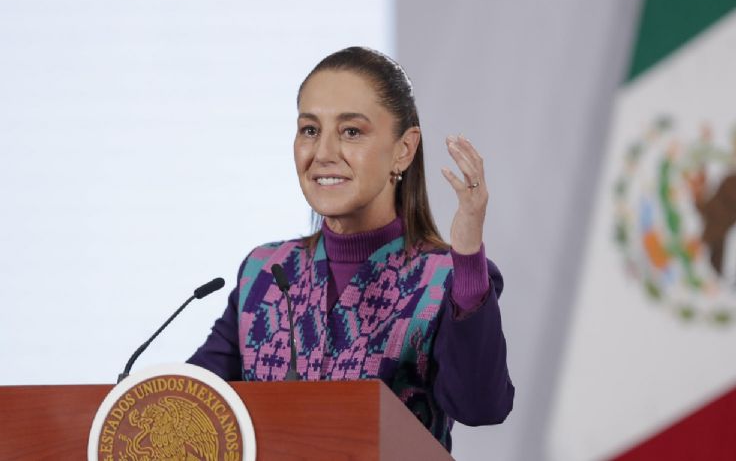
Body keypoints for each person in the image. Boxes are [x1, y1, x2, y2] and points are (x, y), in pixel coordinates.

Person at [189, 46, 513, 450]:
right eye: (310, 130)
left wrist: (467, 255)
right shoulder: (266, 272)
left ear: (404, 149)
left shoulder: (444, 278)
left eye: (351, 132)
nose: (323, 153)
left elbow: (480, 406)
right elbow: (190, 400)